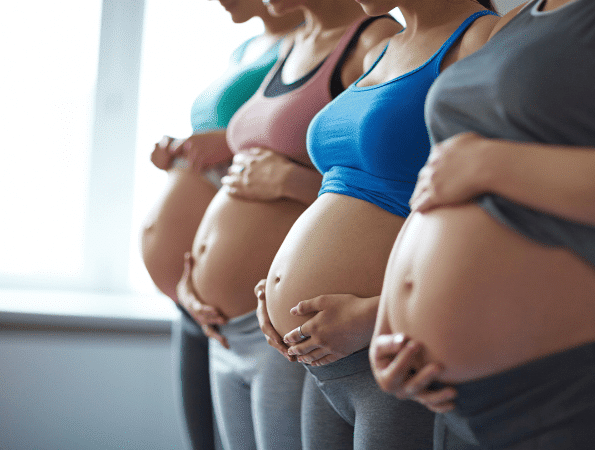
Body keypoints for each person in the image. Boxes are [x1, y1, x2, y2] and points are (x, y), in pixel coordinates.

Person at [369, 0, 595, 448]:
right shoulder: (510, 23)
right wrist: (387, 326)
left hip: (592, 387)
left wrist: (488, 163)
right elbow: (438, 185)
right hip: (458, 400)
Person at [253, 0, 499, 448]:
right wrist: (274, 290)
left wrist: (374, 316)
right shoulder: (379, 51)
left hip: (394, 351)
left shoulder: (482, 39)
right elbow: (338, 194)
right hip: (322, 362)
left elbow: (497, 220)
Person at [174, 0, 402, 448]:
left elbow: (377, 176)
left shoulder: (375, 38)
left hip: (296, 330)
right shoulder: (291, 45)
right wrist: (193, 283)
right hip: (231, 323)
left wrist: (291, 180)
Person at [139, 1, 303, 448]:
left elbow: (285, 143)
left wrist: (227, 143)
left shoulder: (315, 44)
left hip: (251, 303)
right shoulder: (246, 48)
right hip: (194, 292)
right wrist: (180, 149)